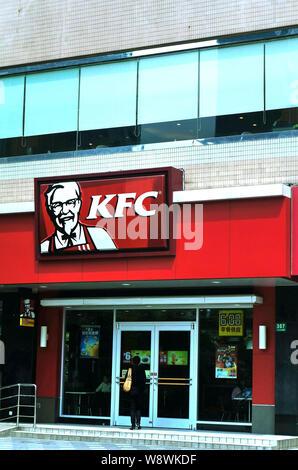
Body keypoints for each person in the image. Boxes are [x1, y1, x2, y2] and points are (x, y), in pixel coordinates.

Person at [40, 181, 118, 253]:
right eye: (57, 205)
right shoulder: (44, 247)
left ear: (78, 204)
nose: (65, 211)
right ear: (50, 209)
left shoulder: (98, 235)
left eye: (70, 202)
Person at [125, 355, 146, 430]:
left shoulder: (130, 369)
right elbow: (144, 381)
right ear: (139, 361)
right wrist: (142, 390)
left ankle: (132, 425)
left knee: (132, 408)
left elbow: (126, 379)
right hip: (139, 391)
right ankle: (138, 424)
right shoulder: (141, 369)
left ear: (132, 361)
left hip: (131, 391)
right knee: (138, 408)